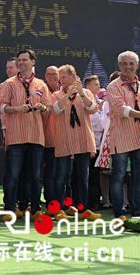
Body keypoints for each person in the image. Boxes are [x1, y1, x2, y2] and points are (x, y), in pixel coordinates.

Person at [0, 49, 51, 222]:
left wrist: (42, 108)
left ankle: (34, 209)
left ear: (33, 61)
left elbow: (48, 110)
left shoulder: (41, 84)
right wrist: (16, 109)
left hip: (35, 135)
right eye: (19, 60)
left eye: (24, 60)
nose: (21, 63)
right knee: (13, 174)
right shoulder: (8, 84)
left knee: (34, 175)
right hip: (16, 135)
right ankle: (10, 209)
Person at [51, 65, 100, 221]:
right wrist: (68, 95)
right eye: (60, 78)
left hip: (82, 140)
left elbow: (93, 109)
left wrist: (80, 93)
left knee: (82, 177)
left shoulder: (86, 93)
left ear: (73, 77)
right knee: (61, 176)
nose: (61, 80)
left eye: (64, 77)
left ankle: (82, 208)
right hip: (64, 141)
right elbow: (56, 109)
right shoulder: (56, 94)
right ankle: (59, 209)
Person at [106, 51, 140, 221]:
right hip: (121, 138)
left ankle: (137, 211)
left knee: (138, 176)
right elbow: (121, 109)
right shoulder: (113, 86)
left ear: (137, 65)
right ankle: (119, 212)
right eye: (125, 64)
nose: (128, 67)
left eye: (131, 63)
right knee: (118, 176)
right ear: (119, 66)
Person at [84, 75, 104, 211]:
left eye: (98, 84)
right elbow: (92, 122)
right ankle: (87, 202)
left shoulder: (101, 102)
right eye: (95, 84)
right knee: (88, 175)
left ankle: (96, 201)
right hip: (87, 144)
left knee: (96, 175)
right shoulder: (85, 102)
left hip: (100, 145)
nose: (98, 86)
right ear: (88, 87)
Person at [42, 65, 59, 210]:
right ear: (45, 76)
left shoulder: (64, 92)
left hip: (64, 140)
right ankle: (50, 202)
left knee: (63, 174)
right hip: (47, 138)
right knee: (50, 173)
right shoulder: (42, 90)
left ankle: (63, 202)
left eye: (55, 74)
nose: (52, 77)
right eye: (49, 74)